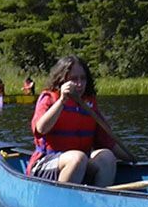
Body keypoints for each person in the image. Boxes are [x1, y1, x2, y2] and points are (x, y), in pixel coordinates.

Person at [27, 55, 137, 186]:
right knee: (77, 158)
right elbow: (41, 129)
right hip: (46, 164)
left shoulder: (89, 104)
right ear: (63, 80)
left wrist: (132, 159)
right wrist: (62, 100)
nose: (79, 84)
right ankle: (62, 200)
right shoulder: (49, 98)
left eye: (83, 78)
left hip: (80, 165)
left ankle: (98, 200)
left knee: (107, 156)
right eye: (74, 79)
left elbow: (108, 142)